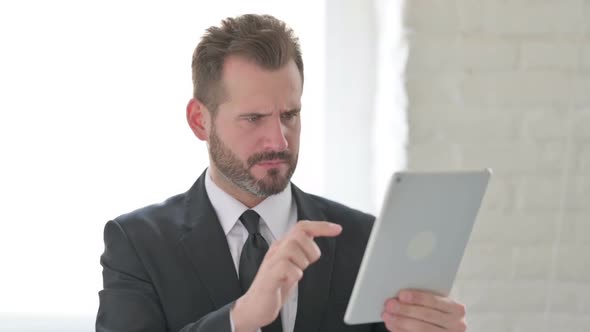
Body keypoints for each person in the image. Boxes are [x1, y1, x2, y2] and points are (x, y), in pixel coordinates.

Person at [96, 14, 467, 332]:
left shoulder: (365, 240)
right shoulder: (136, 244)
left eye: (289, 115)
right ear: (199, 120)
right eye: (254, 118)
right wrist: (239, 319)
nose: (278, 139)